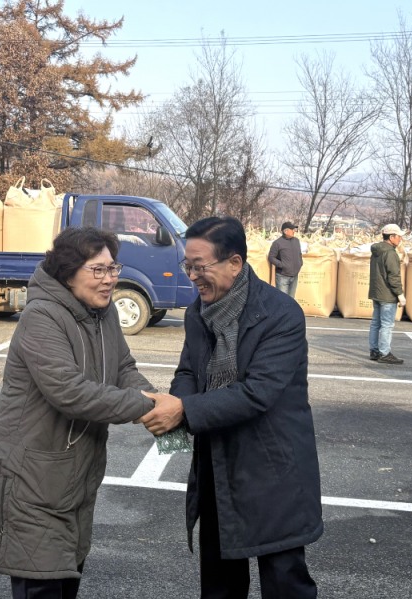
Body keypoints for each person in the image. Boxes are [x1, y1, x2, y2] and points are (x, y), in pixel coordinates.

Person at [140, 216, 323, 599]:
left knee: (285, 582)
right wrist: (176, 402)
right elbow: (190, 370)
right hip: (217, 464)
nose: (192, 276)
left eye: (200, 266)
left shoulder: (280, 314)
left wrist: (185, 413)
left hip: (272, 467)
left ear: (235, 263)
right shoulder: (197, 313)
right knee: (220, 585)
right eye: (187, 266)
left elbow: (258, 392)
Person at [0, 227, 157, 599]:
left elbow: (123, 367)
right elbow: (70, 392)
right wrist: (148, 407)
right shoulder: (41, 317)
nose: (109, 279)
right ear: (68, 272)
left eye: (113, 268)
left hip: (73, 478)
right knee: (41, 584)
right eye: (98, 270)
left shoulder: (101, 312)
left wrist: (157, 400)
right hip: (32, 478)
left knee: (66, 580)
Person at [369, 223, 406, 365]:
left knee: (375, 323)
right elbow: (393, 276)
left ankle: (374, 350)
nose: (400, 239)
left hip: (376, 292)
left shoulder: (376, 251)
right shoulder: (390, 253)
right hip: (387, 294)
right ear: (391, 237)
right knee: (387, 325)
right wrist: (400, 294)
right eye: (398, 236)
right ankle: (384, 353)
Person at [267, 221, 303, 297]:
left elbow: (299, 254)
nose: (294, 231)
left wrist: (300, 263)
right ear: (285, 231)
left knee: (291, 300)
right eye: (292, 229)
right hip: (282, 277)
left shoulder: (296, 241)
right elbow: (271, 257)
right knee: (283, 300)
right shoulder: (277, 243)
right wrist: (282, 265)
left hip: (294, 276)